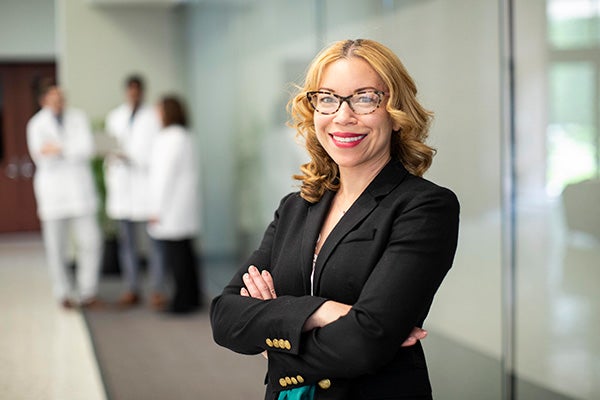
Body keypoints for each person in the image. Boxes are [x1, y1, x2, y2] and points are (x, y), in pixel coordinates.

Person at [210, 39, 460, 400]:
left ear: (395, 111)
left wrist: (274, 338)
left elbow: (365, 344)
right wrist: (323, 311)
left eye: (365, 97)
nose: (343, 116)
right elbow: (225, 315)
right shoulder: (297, 207)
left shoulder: (423, 208)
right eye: (327, 98)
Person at [26, 83, 103, 309]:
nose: (59, 101)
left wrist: (57, 148)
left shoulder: (78, 118)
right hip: (53, 196)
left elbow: (87, 149)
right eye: (54, 98)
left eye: (62, 97)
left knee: (91, 242)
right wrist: (70, 148)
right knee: (55, 247)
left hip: (80, 193)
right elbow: (40, 156)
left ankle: (87, 291)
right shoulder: (36, 124)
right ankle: (63, 293)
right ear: (44, 101)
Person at [104, 74, 166, 309]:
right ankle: (132, 288)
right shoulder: (115, 117)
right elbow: (110, 147)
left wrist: (131, 157)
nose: (133, 94)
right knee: (126, 243)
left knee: (154, 243)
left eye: (137, 91)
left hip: (145, 186)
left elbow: (157, 152)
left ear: (142, 92)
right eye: (130, 91)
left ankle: (157, 289)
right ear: (125, 92)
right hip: (123, 188)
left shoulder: (153, 117)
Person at [147, 96, 202, 314]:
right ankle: (192, 297)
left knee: (177, 258)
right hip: (182, 207)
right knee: (186, 254)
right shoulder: (185, 136)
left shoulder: (169, 138)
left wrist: (156, 209)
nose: (156, 115)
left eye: (158, 111)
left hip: (171, 208)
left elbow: (163, 177)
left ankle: (181, 302)